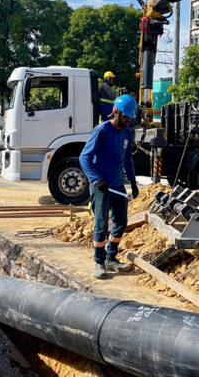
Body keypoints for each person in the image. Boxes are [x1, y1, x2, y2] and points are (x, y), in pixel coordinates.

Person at [79, 94, 140, 279]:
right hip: (101, 187)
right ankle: (99, 262)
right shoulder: (102, 130)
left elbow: (127, 159)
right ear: (116, 112)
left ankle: (110, 257)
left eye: (130, 118)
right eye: (126, 117)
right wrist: (96, 180)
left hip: (117, 186)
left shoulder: (126, 132)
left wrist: (133, 181)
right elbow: (85, 157)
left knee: (121, 222)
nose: (128, 121)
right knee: (101, 224)